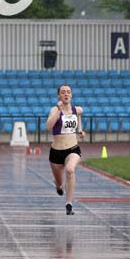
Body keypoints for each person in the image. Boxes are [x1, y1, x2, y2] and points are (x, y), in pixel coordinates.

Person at [45, 85, 85, 216]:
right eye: (63, 92)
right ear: (59, 96)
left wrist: (80, 130)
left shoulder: (77, 110)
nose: (66, 94)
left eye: (68, 92)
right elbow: (48, 127)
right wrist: (58, 109)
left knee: (70, 170)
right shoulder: (54, 110)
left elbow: (78, 119)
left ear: (71, 95)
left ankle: (69, 204)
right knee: (59, 182)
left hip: (72, 148)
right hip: (56, 152)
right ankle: (58, 186)